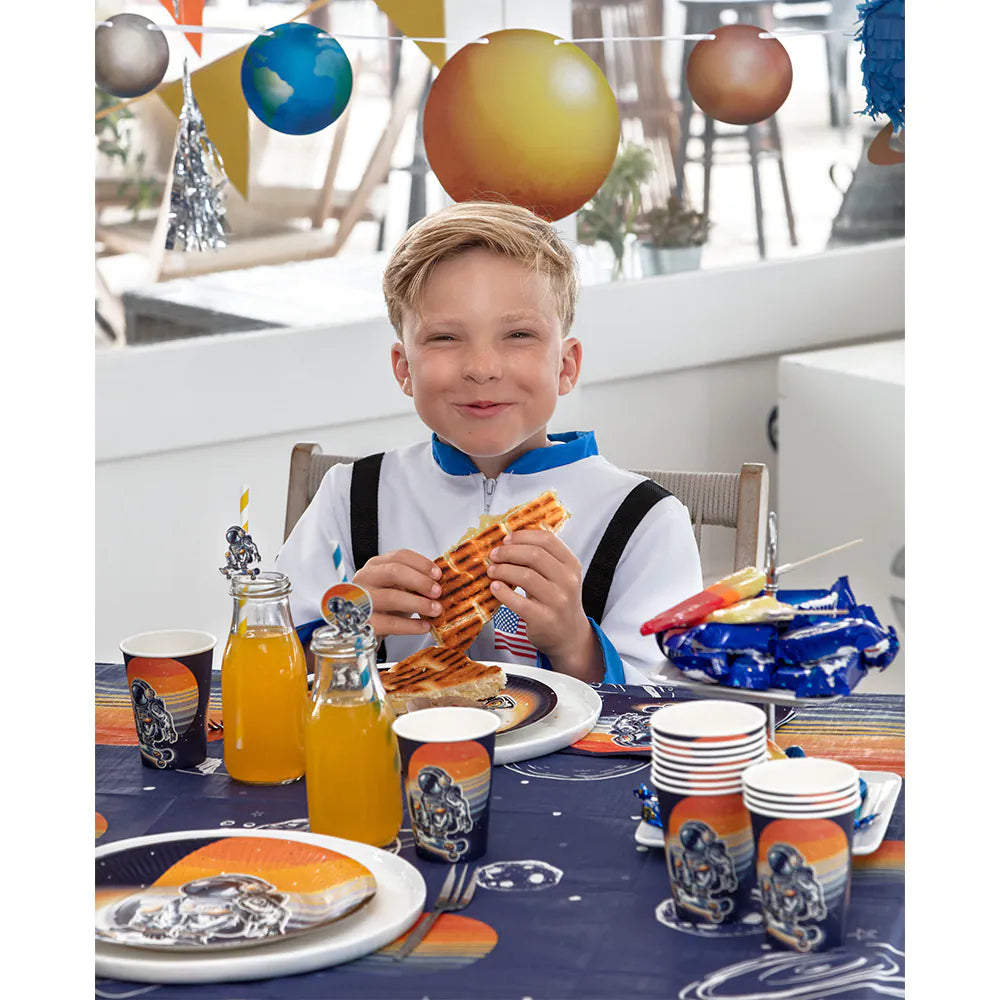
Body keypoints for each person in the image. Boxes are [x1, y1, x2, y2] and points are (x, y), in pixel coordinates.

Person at [276, 201, 702, 684]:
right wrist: (340, 635)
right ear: (403, 368)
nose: (481, 367)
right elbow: (271, 665)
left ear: (566, 367)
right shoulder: (350, 497)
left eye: (518, 334)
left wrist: (575, 644)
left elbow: (667, 703)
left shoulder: (645, 521)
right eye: (444, 338)